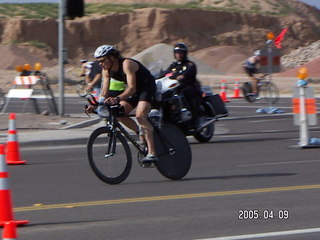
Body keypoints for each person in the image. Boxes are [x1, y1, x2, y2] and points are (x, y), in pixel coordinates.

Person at [89, 45, 157, 163]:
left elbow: (131, 88)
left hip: (146, 87)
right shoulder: (106, 69)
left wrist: (117, 98)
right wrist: (97, 104)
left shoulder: (126, 64)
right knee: (119, 113)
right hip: (134, 91)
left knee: (140, 115)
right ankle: (140, 132)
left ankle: (152, 153)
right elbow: (104, 91)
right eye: (98, 61)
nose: (100, 64)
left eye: (102, 60)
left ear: (112, 57)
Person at [162, 42, 201, 127]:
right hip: (177, 86)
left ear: (184, 53)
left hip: (189, 86)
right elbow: (166, 72)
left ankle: (195, 120)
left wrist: (182, 75)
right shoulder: (174, 65)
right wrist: (159, 75)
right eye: (177, 53)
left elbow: (188, 72)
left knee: (188, 94)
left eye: (180, 53)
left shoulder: (189, 64)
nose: (178, 55)